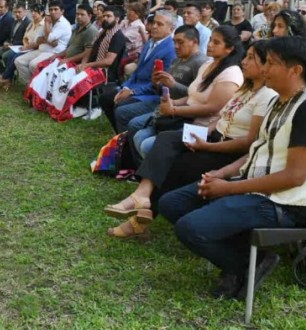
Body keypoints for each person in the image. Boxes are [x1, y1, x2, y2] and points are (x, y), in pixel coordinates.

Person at [159, 36, 306, 300]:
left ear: (295, 70)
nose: (264, 69)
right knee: (171, 203)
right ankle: (245, 254)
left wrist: (229, 190)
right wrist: (221, 175)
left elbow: (295, 176)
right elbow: (258, 151)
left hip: (283, 202)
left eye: (271, 63)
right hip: (257, 188)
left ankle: (246, 263)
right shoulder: (280, 101)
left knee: (191, 227)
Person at [104, 40, 277, 240]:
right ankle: (141, 196)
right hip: (213, 137)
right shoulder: (245, 89)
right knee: (167, 138)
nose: (244, 61)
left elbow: (249, 143)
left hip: (228, 150)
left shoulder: (267, 96)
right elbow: (222, 118)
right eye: (245, 56)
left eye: (251, 58)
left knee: (174, 164)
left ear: (266, 65)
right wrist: (203, 133)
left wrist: (209, 145)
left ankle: (139, 217)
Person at [131, 26, 244, 159]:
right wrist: (172, 102)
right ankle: (146, 173)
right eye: (210, 40)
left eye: (216, 42)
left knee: (148, 145)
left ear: (229, 48)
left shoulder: (230, 74)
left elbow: (211, 109)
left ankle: (161, 176)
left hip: (203, 127)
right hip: (186, 117)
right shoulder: (207, 65)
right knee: (139, 136)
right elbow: (192, 96)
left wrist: (174, 110)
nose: (210, 45)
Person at [99, 10, 178, 133]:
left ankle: (125, 144)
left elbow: (159, 83)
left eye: (160, 24)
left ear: (171, 29)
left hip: (150, 94)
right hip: (135, 87)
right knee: (105, 98)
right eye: (154, 23)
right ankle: (120, 136)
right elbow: (137, 71)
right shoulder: (149, 43)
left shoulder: (171, 50)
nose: (154, 26)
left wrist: (132, 92)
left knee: (121, 107)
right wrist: (125, 88)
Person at [15, 1, 72, 83]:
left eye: (56, 9)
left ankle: (37, 87)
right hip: (41, 50)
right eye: (51, 10)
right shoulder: (48, 20)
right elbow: (37, 39)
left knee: (33, 64)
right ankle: (30, 85)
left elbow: (50, 38)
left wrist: (47, 24)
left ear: (62, 11)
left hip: (54, 53)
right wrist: (48, 40)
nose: (53, 12)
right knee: (18, 61)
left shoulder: (63, 24)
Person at [0, 4, 46, 89]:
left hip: (34, 49)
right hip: (25, 47)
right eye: (32, 11)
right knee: (10, 55)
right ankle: (8, 78)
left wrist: (27, 45)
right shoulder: (31, 24)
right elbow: (25, 37)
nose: (33, 13)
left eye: (35, 12)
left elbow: (39, 41)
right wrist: (26, 44)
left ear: (42, 13)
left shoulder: (43, 25)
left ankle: (5, 77)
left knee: (14, 56)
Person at [0, 5, 30, 76]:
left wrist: (13, 44)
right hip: (10, 45)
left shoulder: (28, 23)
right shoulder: (15, 22)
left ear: (25, 12)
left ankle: (7, 76)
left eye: (19, 12)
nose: (17, 14)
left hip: (19, 47)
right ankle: (5, 74)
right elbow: (10, 36)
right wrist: (6, 41)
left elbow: (25, 40)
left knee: (5, 56)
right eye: (15, 12)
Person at [118, 2, 149, 77]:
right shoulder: (124, 22)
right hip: (120, 47)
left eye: (130, 11)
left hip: (129, 52)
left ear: (137, 14)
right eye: (128, 10)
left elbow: (122, 37)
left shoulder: (139, 26)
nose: (127, 13)